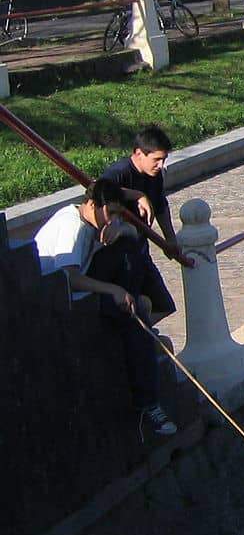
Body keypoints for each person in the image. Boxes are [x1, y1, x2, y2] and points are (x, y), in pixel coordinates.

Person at [33, 179, 178, 436]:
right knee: (136, 321)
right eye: (109, 213)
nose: (111, 219)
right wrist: (115, 290)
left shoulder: (95, 221)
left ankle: (134, 309)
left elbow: (135, 234)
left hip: (82, 288)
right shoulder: (72, 227)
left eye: (116, 214)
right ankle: (148, 405)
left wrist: (122, 228)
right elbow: (70, 278)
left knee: (129, 248)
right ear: (91, 204)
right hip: (55, 301)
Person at [99, 125, 182, 329]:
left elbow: (161, 206)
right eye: (156, 160)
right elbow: (99, 192)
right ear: (138, 153)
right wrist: (136, 195)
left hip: (140, 251)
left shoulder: (155, 176)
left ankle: (138, 334)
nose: (161, 165)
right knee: (134, 307)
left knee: (163, 305)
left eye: (164, 160)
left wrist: (170, 240)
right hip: (119, 257)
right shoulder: (117, 174)